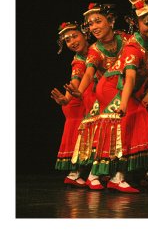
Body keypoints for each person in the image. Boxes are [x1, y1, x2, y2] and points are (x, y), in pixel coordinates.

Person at [87, 0, 148, 193]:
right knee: (124, 126)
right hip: (112, 87)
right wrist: (124, 104)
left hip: (125, 89)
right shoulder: (133, 47)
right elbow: (129, 78)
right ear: (136, 22)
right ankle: (96, 175)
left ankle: (117, 176)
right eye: (147, 23)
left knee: (139, 125)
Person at [64, 3, 129, 190]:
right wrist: (73, 95)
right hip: (99, 94)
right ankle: (94, 174)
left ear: (110, 21)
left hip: (120, 90)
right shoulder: (91, 52)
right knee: (101, 134)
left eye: (97, 21)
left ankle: (99, 174)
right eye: (90, 24)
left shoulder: (124, 39)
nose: (93, 27)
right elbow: (83, 75)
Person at [51, 21, 91, 188]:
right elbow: (75, 79)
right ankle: (75, 174)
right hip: (79, 99)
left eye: (75, 36)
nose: (72, 42)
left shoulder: (97, 50)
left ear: (85, 34)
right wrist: (67, 99)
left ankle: (78, 174)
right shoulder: (78, 60)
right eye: (68, 40)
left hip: (84, 96)